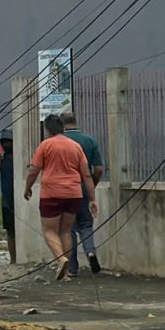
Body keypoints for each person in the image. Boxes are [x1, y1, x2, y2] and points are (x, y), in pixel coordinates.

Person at [24, 114, 95, 280]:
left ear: (47, 130)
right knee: (65, 230)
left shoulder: (45, 145)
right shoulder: (75, 146)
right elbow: (87, 175)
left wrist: (27, 188)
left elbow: (33, 171)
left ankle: (61, 259)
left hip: (51, 193)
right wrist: (92, 199)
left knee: (49, 230)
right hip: (74, 194)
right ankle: (67, 272)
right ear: (62, 128)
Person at [62, 111, 106, 276]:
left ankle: (73, 267)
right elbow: (99, 169)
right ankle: (90, 252)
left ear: (62, 124)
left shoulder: (59, 142)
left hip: (65, 188)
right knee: (86, 225)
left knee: (69, 229)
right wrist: (91, 186)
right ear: (75, 121)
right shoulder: (89, 140)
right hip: (83, 185)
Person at [0, 130, 17, 264]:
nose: (6, 144)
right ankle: (13, 260)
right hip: (7, 200)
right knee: (10, 231)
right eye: (4, 142)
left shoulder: (20, 159)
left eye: (8, 142)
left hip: (20, 199)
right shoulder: (2, 160)